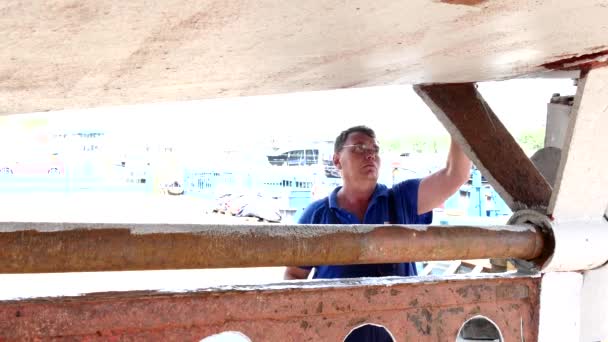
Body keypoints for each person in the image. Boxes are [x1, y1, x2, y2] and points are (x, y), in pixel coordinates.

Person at [284, 125, 472, 280]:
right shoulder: (317, 214)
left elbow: (455, 175)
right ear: (337, 161)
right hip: (337, 324)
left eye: (375, 149)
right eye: (359, 148)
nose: (370, 154)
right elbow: (294, 274)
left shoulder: (401, 200)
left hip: (396, 325)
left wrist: (457, 117)